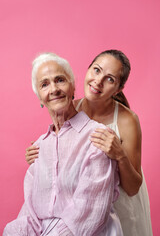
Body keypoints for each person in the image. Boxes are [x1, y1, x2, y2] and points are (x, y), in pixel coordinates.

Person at [25, 50, 153, 236]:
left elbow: (133, 187)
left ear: (118, 89)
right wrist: (39, 157)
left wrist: (120, 155)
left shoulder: (127, 120)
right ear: (87, 70)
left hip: (119, 205)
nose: (98, 81)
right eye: (96, 70)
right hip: (82, 210)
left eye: (110, 79)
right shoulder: (70, 106)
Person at [3, 53, 123, 236]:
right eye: (44, 84)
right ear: (39, 97)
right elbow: (30, 213)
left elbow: (89, 211)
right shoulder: (39, 147)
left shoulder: (98, 136)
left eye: (60, 80)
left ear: (73, 86)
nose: (53, 89)